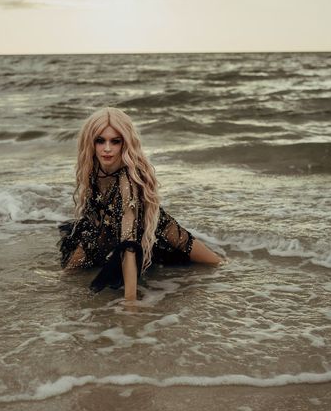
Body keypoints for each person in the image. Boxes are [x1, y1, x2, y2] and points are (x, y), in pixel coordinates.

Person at [59, 107, 223, 300]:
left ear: (125, 143)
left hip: (154, 225)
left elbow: (129, 243)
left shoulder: (127, 182)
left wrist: (130, 302)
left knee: (215, 263)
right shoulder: (92, 166)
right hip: (107, 225)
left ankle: (236, 271)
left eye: (115, 141)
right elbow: (95, 217)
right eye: (100, 140)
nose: (107, 148)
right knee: (78, 256)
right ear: (90, 142)